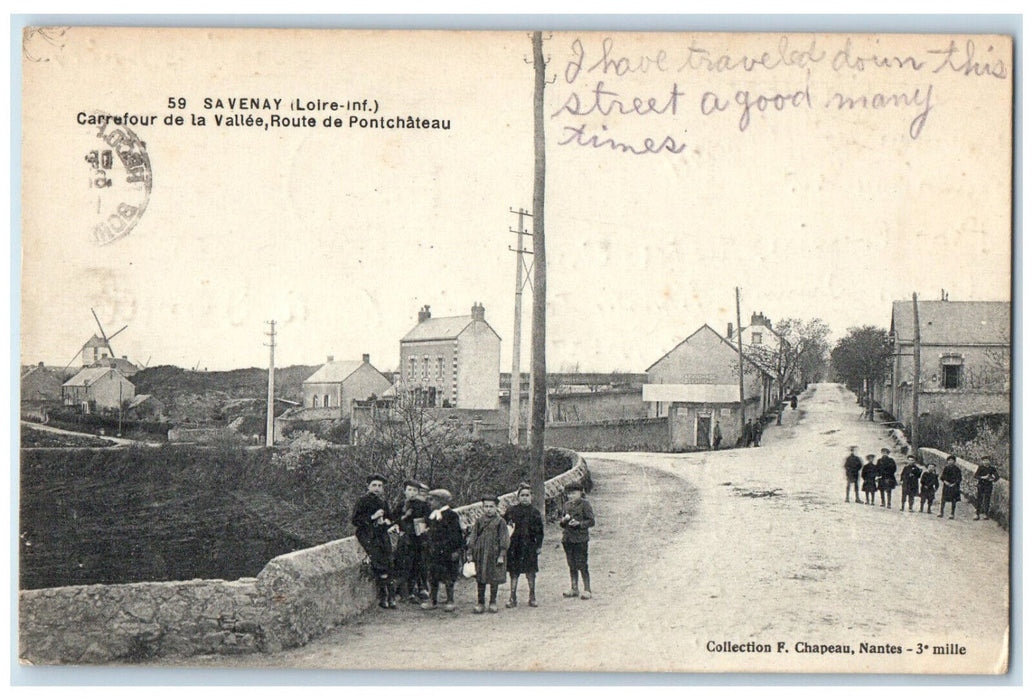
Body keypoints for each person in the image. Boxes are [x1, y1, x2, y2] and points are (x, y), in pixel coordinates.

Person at [351, 474, 396, 609]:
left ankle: (391, 596)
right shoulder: (362, 501)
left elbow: (389, 517)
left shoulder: (383, 501)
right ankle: (384, 596)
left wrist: (388, 521)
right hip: (368, 535)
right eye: (374, 485)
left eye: (380, 486)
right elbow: (355, 520)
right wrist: (372, 517)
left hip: (381, 534)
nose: (377, 488)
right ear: (368, 486)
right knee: (378, 561)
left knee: (388, 560)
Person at [421, 488, 464, 612]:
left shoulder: (451, 516)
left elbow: (457, 535)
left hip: (447, 551)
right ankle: (432, 600)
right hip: (433, 551)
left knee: (448, 576)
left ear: (441, 502)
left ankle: (450, 600)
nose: (429, 502)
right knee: (432, 575)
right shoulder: (432, 515)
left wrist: (456, 550)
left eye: (432, 500)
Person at [391, 479, 432, 603]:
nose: (412, 493)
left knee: (420, 563)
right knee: (405, 564)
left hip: (419, 538)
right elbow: (394, 519)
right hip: (406, 539)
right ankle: (407, 592)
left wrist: (424, 526)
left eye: (415, 490)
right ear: (405, 491)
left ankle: (421, 588)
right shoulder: (401, 505)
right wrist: (404, 517)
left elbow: (429, 519)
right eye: (409, 490)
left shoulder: (422, 505)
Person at [504, 483, 545, 608]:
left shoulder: (535, 512)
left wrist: (538, 546)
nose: (525, 498)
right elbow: (505, 529)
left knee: (530, 572)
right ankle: (512, 597)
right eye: (522, 495)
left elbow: (540, 531)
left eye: (527, 495)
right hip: (514, 547)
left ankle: (532, 597)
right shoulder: (511, 511)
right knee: (514, 573)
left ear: (531, 497)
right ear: (518, 497)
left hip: (529, 547)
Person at [469, 495, 510, 614]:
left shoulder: (500, 521)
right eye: (486, 506)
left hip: (494, 554)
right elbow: (473, 538)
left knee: (494, 578)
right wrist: (470, 553)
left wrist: (502, 554)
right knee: (480, 578)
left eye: (491, 506)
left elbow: (504, 539)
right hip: (480, 554)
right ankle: (480, 602)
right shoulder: (479, 521)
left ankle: (492, 602)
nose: (488, 509)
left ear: (496, 507)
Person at [560, 483, 595, 600]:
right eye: (569, 494)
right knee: (571, 564)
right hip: (568, 539)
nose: (571, 496)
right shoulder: (566, 505)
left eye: (574, 493)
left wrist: (579, 524)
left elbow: (591, 521)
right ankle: (574, 588)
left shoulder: (585, 504)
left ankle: (587, 589)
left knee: (582, 563)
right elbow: (562, 524)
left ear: (580, 493)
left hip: (580, 539)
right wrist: (564, 521)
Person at [973, 455, 1000, 521]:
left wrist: (992, 479)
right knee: (979, 499)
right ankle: (977, 514)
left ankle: (986, 514)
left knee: (987, 499)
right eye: (984, 460)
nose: (985, 462)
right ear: (982, 461)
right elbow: (976, 476)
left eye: (987, 460)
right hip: (981, 485)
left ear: (990, 461)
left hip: (988, 485)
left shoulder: (992, 468)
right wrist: (983, 477)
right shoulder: (980, 467)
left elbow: (997, 476)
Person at [939, 455, 963, 519]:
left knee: (953, 500)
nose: (950, 462)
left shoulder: (957, 469)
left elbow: (959, 478)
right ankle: (941, 512)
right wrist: (945, 482)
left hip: (954, 487)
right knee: (943, 499)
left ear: (954, 461)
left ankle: (952, 513)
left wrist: (954, 484)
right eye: (949, 460)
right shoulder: (946, 468)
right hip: (946, 486)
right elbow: (942, 477)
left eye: (952, 460)